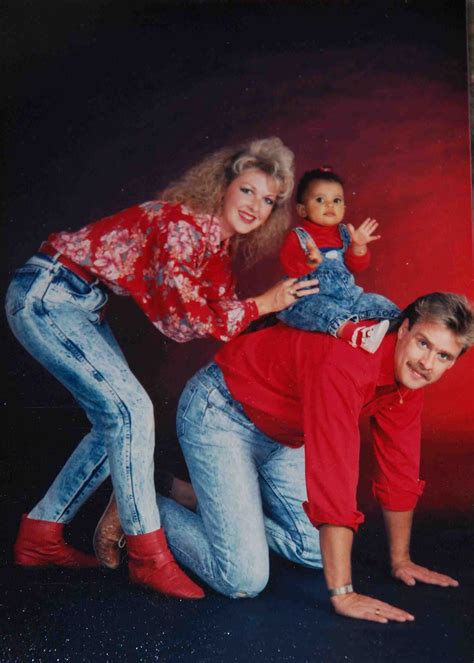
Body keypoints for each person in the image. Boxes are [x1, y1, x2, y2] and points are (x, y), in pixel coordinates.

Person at [5, 137, 318, 599]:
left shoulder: (215, 249)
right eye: (248, 190)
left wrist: (295, 280)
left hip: (80, 302)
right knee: (131, 412)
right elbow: (182, 323)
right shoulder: (182, 225)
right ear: (223, 186)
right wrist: (262, 302)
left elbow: (229, 314)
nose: (256, 205)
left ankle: (41, 534)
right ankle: (149, 554)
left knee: (114, 421)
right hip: (49, 292)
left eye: (269, 200)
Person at [155, 292, 473, 621]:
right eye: (424, 343)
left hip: (283, 435)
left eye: (444, 356)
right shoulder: (348, 359)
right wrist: (343, 595)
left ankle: (196, 497)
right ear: (404, 329)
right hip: (222, 413)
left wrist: (401, 560)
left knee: (315, 551)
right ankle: (145, 508)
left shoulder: (408, 380)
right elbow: (333, 474)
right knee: (242, 578)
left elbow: (399, 469)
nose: (427, 363)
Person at [277, 167, 400, 352]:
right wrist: (308, 262)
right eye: (320, 200)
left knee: (379, 302)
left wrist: (358, 246)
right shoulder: (299, 236)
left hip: (349, 298)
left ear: (343, 208)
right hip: (312, 298)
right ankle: (354, 333)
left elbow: (356, 266)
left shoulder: (345, 233)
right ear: (302, 209)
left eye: (336, 200)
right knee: (323, 311)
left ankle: (400, 326)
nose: (330, 205)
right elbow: (290, 267)